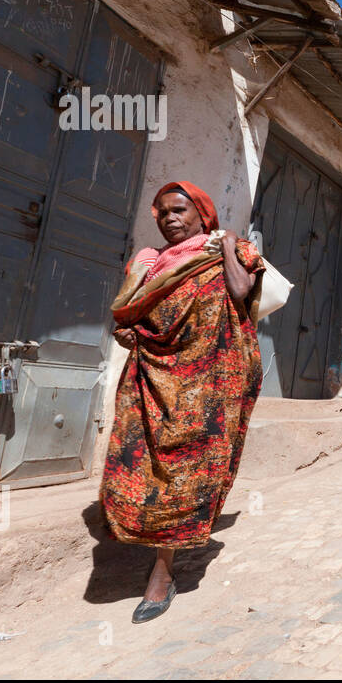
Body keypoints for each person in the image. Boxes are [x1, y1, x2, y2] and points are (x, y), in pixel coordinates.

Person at [101, 181, 266, 623]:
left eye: (179, 210)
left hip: (212, 384)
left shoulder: (232, 252)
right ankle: (147, 541)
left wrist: (228, 245)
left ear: (202, 214)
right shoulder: (150, 265)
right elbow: (127, 320)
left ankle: (162, 571)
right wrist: (133, 318)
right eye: (162, 213)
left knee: (187, 470)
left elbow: (238, 291)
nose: (170, 219)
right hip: (152, 379)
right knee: (136, 465)